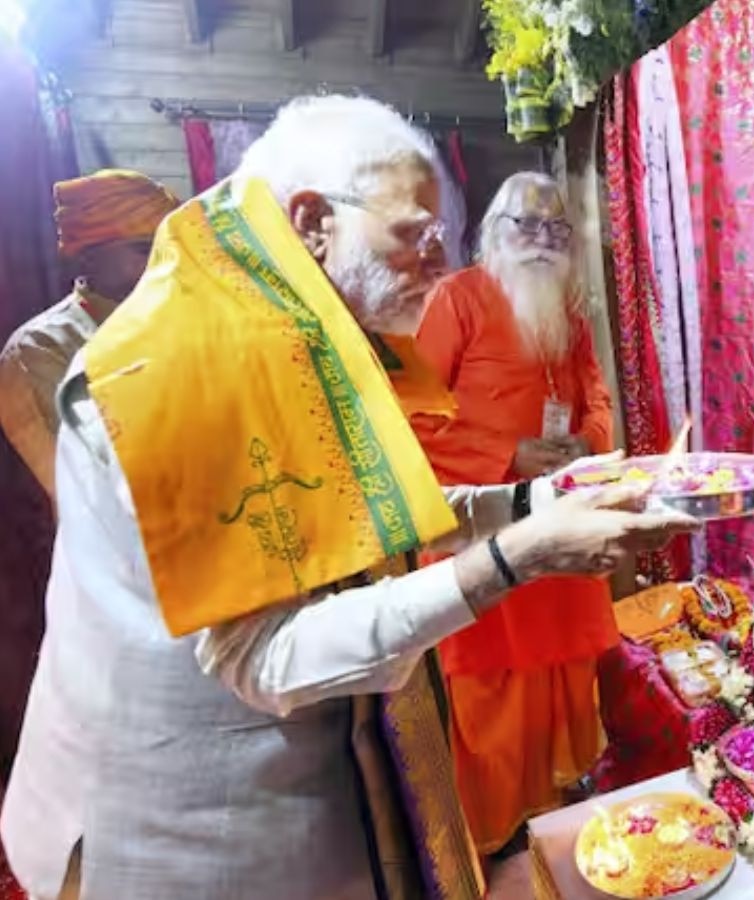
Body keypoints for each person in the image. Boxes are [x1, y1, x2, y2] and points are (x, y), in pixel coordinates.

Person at [0, 95, 696, 900]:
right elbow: (263, 657)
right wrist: (515, 557)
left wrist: (538, 499)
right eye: (418, 237)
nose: (443, 266)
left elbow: (373, 511)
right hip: (193, 819)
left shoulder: (292, 323)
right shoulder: (183, 363)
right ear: (312, 221)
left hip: (311, 765)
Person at [409, 172, 619, 855]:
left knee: (562, 675)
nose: (542, 238)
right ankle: (491, 834)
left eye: (557, 228)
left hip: (557, 521)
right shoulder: (456, 298)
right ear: (494, 231)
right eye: (526, 223)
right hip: (483, 528)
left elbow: (595, 394)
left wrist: (587, 440)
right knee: (492, 689)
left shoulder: (569, 308)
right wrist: (507, 452)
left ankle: (556, 803)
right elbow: (411, 418)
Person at [0, 169, 179, 500]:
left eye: (169, 247)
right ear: (88, 255)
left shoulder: (179, 321)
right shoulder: (39, 348)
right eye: (144, 249)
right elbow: (87, 487)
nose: (164, 261)